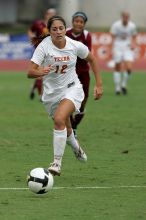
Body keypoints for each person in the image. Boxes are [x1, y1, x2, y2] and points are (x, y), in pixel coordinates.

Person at [27, 15, 102, 176]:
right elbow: (30, 72)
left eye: (61, 28)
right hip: (51, 95)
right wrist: (40, 71)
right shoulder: (43, 47)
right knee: (66, 127)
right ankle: (76, 147)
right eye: (54, 29)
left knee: (60, 119)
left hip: (72, 89)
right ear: (50, 31)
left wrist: (99, 84)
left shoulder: (74, 45)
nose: (58, 32)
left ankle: (56, 163)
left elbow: (92, 59)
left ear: (65, 29)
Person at [66, 11, 92, 138]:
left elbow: (87, 55)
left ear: (84, 24)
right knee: (68, 100)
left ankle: (75, 125)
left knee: (83, 101)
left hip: (83, 73)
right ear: (72, 22)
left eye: (81, 22)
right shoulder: (65, 33)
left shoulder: (87, 35)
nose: (78, 24)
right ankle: (71, 128)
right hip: (68, 73)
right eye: (76, 21)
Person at [28, 8, 57, 100]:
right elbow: (30, 30)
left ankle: (34, 87)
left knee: (46, 73)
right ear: (46, 15)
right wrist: (31, 36)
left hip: (50, 52)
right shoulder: (38, 24)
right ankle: (41, 96)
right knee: (41, 73)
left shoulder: (56, 27)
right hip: (39, 52)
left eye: (53, 14)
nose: (51, 16)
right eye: (50, 14)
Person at [110, 11, 137, 95]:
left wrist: (133, 44)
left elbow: (134, 35)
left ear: (128, 17)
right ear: (122, 17)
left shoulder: (132, 26)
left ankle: (123, 85)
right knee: (117, 67)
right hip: (118, 46)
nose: (126, 18)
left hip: (127, 47)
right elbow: (112, 35)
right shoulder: (116, 25)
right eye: (124, 17)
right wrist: (112, 47)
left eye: (127, 17)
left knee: (129, 68)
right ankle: (117, 88)